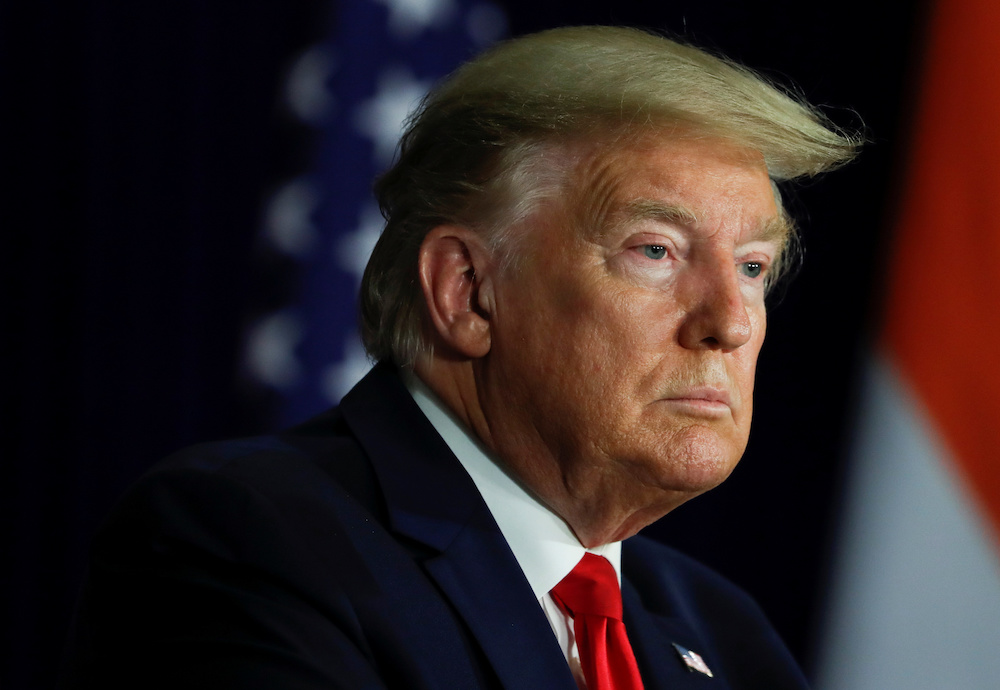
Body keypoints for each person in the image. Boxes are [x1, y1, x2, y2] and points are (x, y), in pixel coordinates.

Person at [60, 25, 858, 690]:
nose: (730, 321)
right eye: (655, 251)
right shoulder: (252, 541)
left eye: (753, 266)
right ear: (468, 290)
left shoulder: (721, 632)